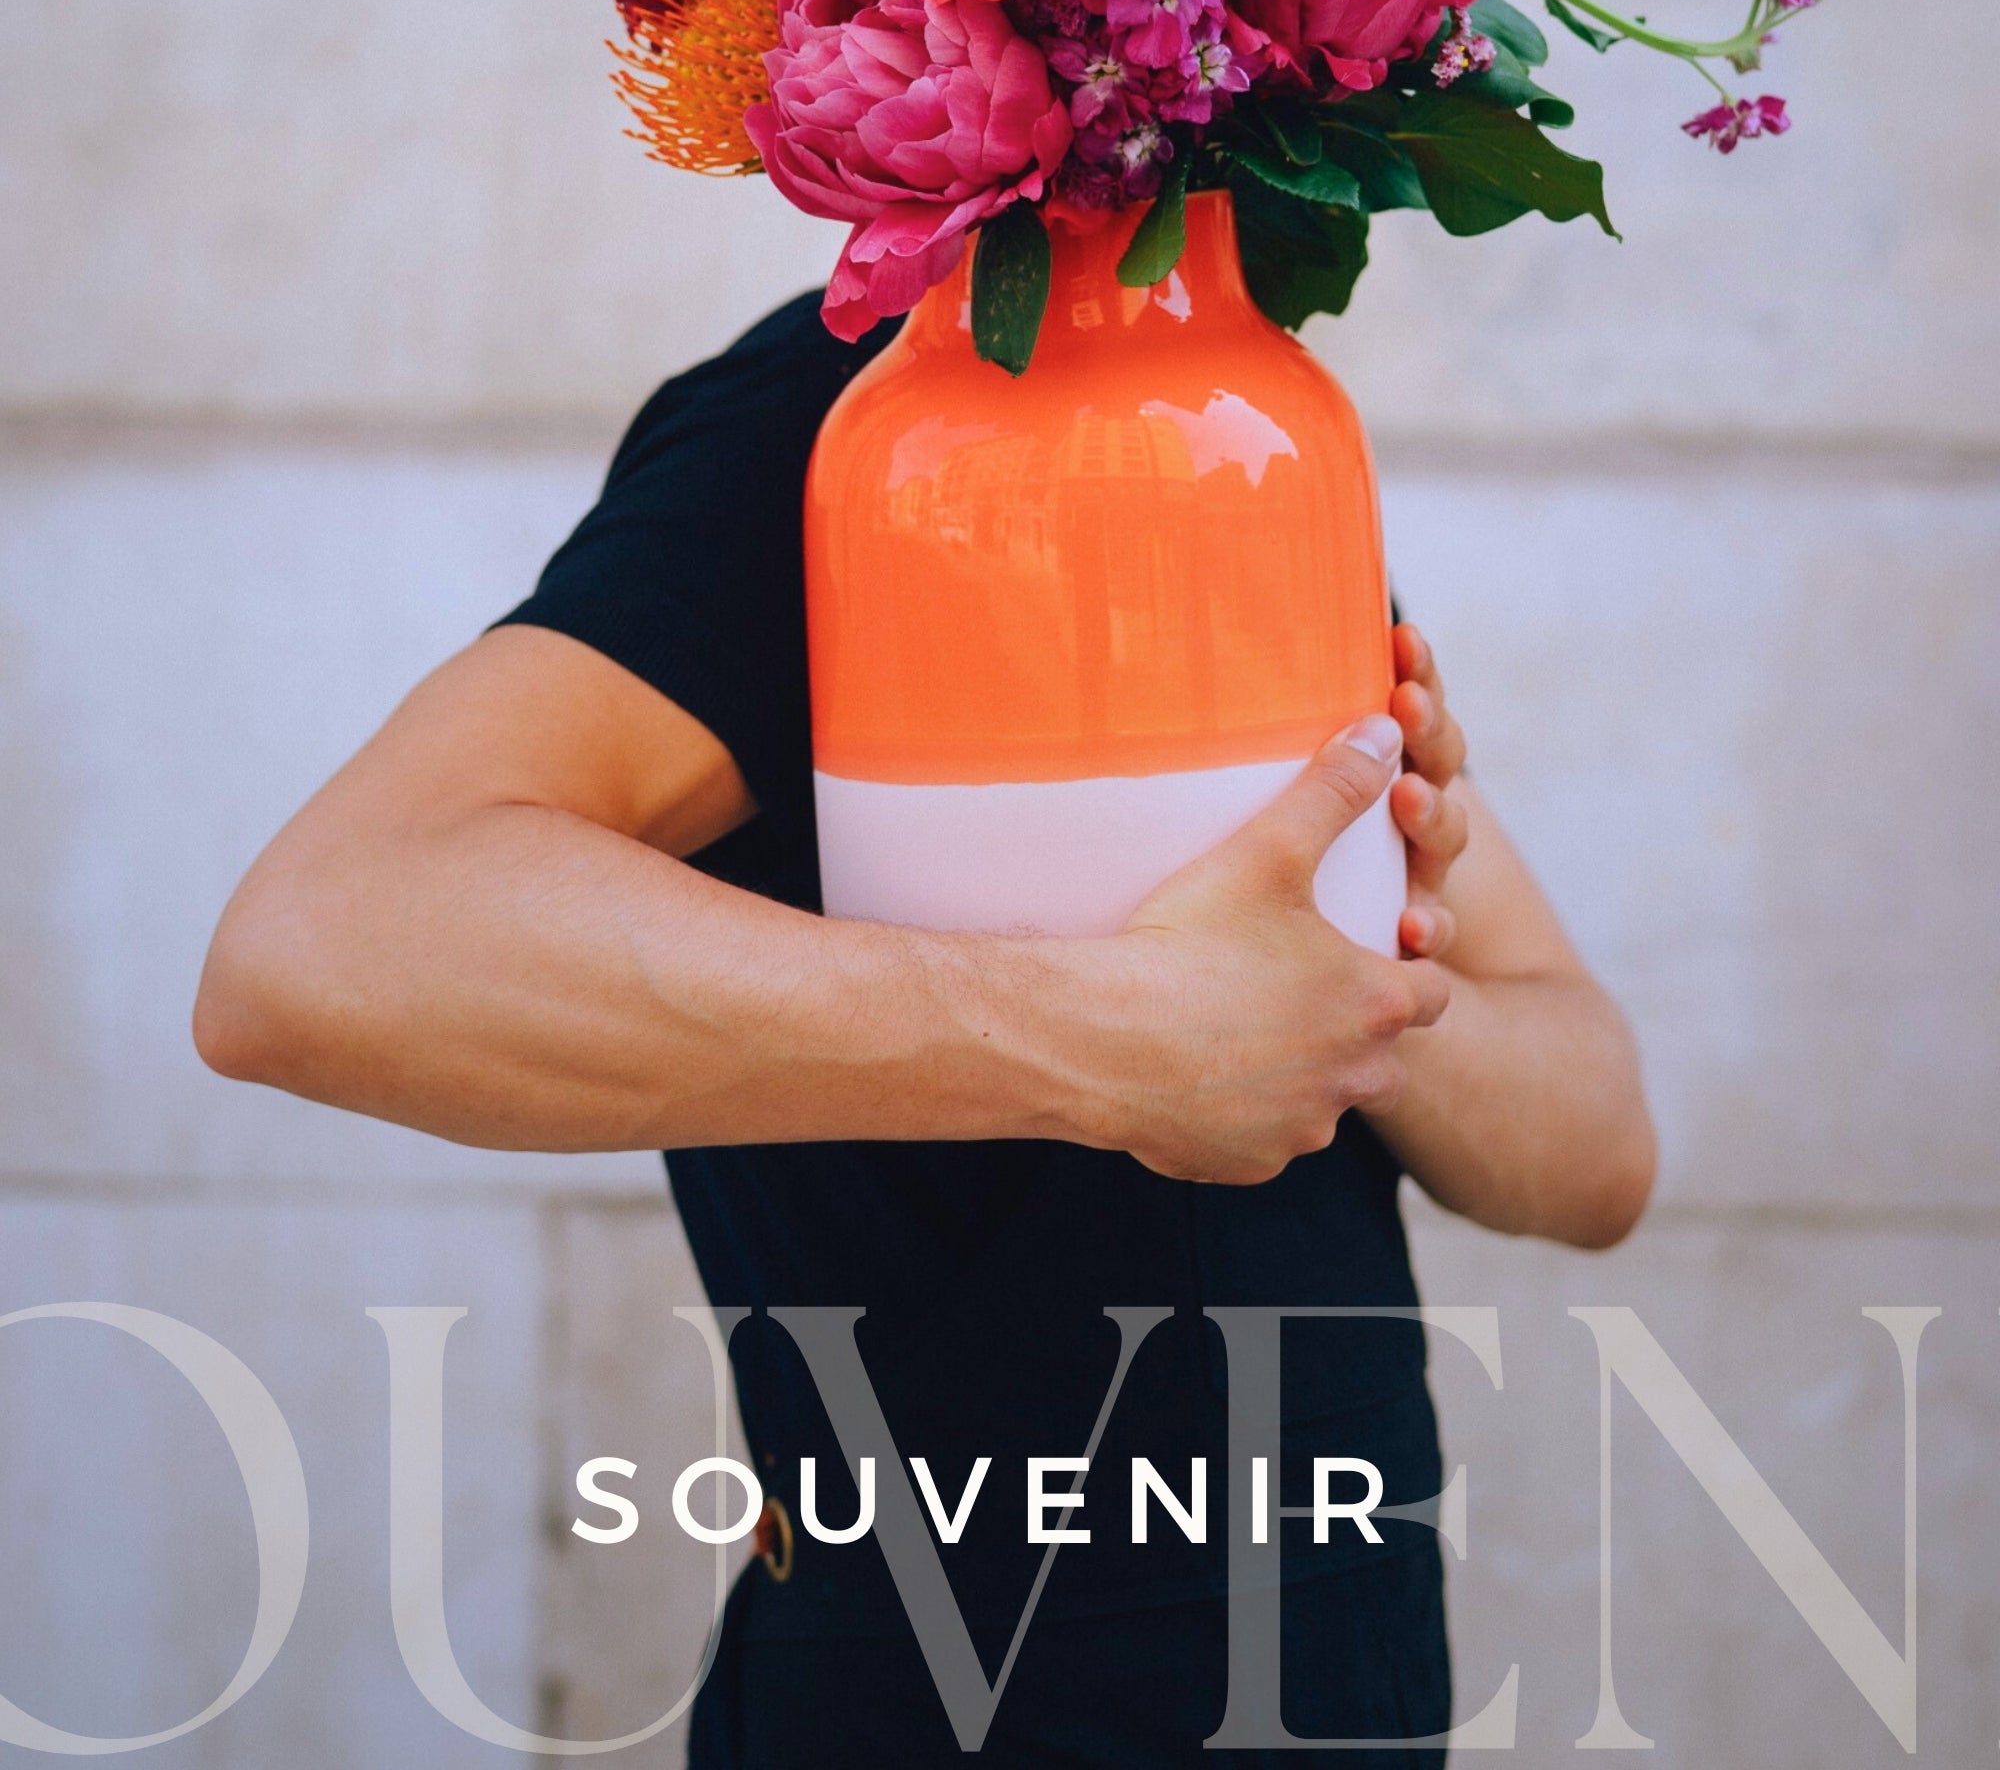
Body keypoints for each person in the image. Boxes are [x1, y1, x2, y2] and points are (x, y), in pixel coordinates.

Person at [194, 290, 1655, 1767]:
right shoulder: (841, 422)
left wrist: (1350, 975)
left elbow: (1597, 1150)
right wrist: (1119, 1039)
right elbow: (322, 945)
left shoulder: (1235, 426)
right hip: (968, 1679)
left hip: (1352, 1666)